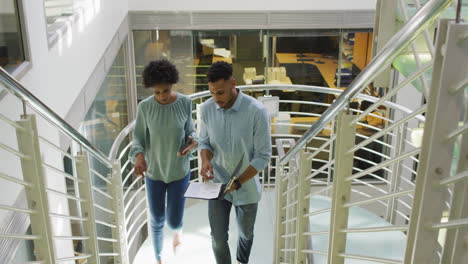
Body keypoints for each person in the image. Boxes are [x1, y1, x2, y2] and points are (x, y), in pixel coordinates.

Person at [199, 61, 272, 264]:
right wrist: (205, 161)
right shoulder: (206, 109)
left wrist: (238, 182)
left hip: (246, 187)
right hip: (218, 185)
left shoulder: (256, 112)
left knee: (246, 234)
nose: (216, 98)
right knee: (218, 238)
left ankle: (242, 261)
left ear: (233, 83)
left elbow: (263, 155)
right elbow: (204, 142)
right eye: (212, 93)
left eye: (221, 92)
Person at [129, 59, 198, 264]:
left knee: (174, 220)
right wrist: (139, 157)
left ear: (172, 84)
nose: (162, 96)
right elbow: (138, 139)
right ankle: (159, 258)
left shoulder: (185, 103)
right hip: (154, 173)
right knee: (157, 220)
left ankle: (177, 233)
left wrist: (193, 140)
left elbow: (190, 130)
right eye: (157, 92)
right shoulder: (145, 107)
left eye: (166, 91)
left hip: (179, 172)